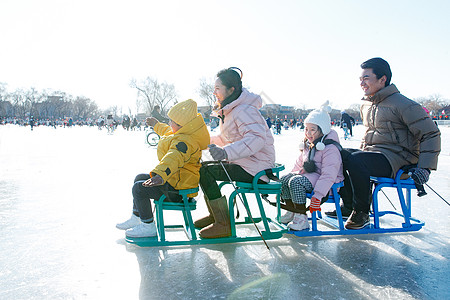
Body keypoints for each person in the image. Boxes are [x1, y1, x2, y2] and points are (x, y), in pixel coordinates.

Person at [330, 57, 441, 229]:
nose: (362, 83)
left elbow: (430, 133)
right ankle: (349, 205)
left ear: (383, 79)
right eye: (360, 79)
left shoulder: (404, 104)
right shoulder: (367, 105)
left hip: (399, 159)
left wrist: (425, 168)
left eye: (366, 78)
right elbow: (369, 135)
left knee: (356, 160)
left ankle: (361, 212)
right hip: (376, 154)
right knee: (337, 153)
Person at [194, 67, 275, 239]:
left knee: (205, 171)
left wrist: (225, 153)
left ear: (231, 90)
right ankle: (217, 216)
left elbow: (256, 139)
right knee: (202, 167)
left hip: (256, 168)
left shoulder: (245, 110)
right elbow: (225, 140)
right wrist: (200, 140)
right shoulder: (231, 111)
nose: (214, 92)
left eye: (217, 88)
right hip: (245, 163)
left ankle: (223, 224)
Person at [116, 99, 210, 238]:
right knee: (140, 178)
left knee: (139, 188)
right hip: (177, 182)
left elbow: (173, 158)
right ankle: (137, 217)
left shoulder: (185, 142)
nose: (169, 123)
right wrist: (156, 125)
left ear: (181, 125)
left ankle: (148, 226)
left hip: (179, 192)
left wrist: (160, 175)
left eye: (172, 121)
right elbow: (168, 132)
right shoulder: (184, 133)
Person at [279, 102, 344, 230]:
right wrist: (284, 184)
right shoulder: (309, 145)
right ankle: (291, 210)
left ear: (323, 130)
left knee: (296, 182)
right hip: (310, 178)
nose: (308, 133)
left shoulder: (330, 148)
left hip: (327, 184)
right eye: (306, 129)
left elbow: (329, 174)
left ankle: (301, 216)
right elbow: (299, 165)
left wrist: (318, 195)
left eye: (312, 130)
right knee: (285, 179)